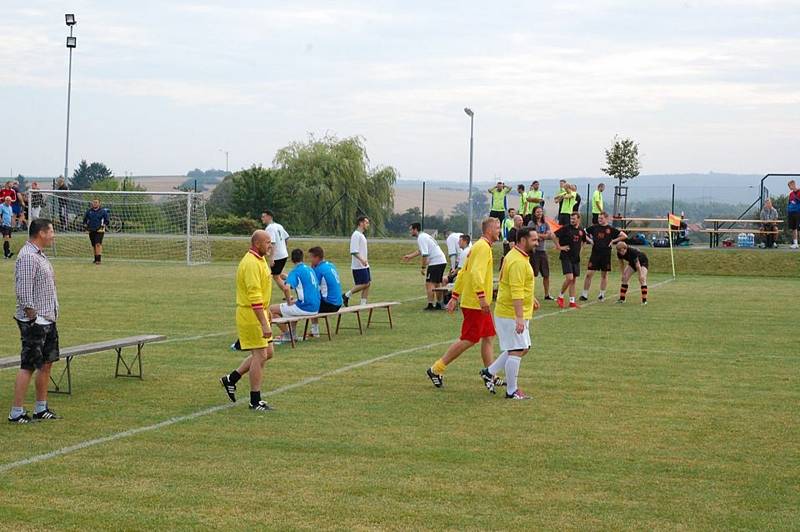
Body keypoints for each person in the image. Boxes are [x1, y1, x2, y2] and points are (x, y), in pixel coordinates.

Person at [426, 217, 500, 388]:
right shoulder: (482, 248)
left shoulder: (479, 247)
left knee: (488, 336)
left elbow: (463, 273)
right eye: (497, 228)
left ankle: (490, 374)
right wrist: (481, 298)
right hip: (475, 303)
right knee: (469, 339)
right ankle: (436, 369)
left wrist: (454, 296)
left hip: (476, 301)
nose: (499, 231)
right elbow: (474, 274)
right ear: (489, 230)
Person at [8, 219, 61, 423]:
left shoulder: (40, 255)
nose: (53, 235)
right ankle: (16, 412)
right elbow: (23, 291)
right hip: (36, 322)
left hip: (48, 318)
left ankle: (41, 408)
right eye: (51, 231)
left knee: (46, 364)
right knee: (28, 365)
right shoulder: (29, 257)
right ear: (41, 233)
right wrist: (33, 318)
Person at [479, 226, 539, 400]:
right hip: (510, 313)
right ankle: (511, 391)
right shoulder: (518, 261)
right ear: (522, 240)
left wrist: (532, 297)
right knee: (517, 349)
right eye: (534, 239)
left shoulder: (516, 255)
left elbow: (518, 284)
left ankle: (489, 372)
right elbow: (516, 290)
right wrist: (519, 317)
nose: (537, 242)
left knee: (522, 347)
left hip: (512, 311)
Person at [219, 230, 275, 411]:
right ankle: (254, 401)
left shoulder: (260, 259)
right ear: (257, 244)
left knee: (269, 352)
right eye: (267, 242)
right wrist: (264, 322)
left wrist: (268, 311)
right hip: (251, 315)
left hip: (260, 313)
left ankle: (231, 379)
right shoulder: (250, 263)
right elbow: (254, 296)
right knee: (260, 356)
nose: (270, 245)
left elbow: (263, 289)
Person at [270, 248, 321, 343]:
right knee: (294, 307)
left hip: (305, 307)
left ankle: (288, 335)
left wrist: (289, 301)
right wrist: (286, 276)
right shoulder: (310, 269)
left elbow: (286, 288)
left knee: (271, 310)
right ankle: (292, 333)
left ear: (292, 260)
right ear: (303, 258)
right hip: (316, 307)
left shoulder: (295, 272)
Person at [581, 212, 627, 302]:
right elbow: (582, 232)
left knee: (604, 275)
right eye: (599, 218)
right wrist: (590, 240)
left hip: (606, 254)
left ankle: (602, 294)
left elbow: (624, 236)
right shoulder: (594, 227)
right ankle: (584, 294)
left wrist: (613, 240)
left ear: (606, 218)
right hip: (595, 254)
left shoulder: (611, 229)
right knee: (589, 274)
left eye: (601, 218)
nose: (599, 220)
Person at [403, 222, 448, 310]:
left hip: (436, 262)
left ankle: (430, 305)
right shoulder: (424, 236)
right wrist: (410, 256)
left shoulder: (421, 238)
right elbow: (421, 250)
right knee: (437, 283)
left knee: (429, 283)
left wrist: (423, 268)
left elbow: (425, 255)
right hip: (441, 260)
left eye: (411, 230)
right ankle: (439, 304)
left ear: (415, 229)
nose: (410, 232)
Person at [554, 212, 589, 309]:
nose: (572, 220)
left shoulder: (581, 230)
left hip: (575, 258)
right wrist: (559, 247)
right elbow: (553, 235)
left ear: (579, 219)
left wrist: (580, 251)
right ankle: (560, 296)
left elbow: (584, 241)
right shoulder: (566, 228)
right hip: (566, 256)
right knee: (569, 278)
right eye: (571, 219)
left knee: (573, 280)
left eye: (574, 219)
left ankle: (572, 302)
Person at [308, 246, 342, 337]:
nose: (310, 260)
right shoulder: (330, 265)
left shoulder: (319, 270)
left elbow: (311, 286)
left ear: (317, 257)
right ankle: (314, 330)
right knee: (314, 298)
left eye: (311, 257)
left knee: (309, 302)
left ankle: (315, 331)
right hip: (338, 303)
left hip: (330, 304)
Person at [261, 210, 292, 302]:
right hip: (283, 254)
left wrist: (271, 258)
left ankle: (289, 296)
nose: (262, 218)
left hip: (277, 256)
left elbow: (272, 243)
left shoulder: (269, 228)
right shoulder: (279, 225)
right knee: (279, 274)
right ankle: (293, 279)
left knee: (275, 276)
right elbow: (287, 237)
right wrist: (284, 248)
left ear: (269, 217)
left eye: (264, 216)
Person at [344, 216, 371, 306]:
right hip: (358, 265)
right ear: (361, 223)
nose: (368, 224)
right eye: (366, 222)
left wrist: (365, 262)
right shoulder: (356, 235)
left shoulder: (361, 235)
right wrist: (362, 260)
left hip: (364, 265)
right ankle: (346, 295)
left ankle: (363, 304)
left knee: (368, 284)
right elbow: (354, 251)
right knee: (364, 284)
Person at [530, 206, 554, 300]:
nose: (539, 213)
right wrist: (540, 236)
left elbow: (549, 235)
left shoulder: (545, 224)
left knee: (546, 274)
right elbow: (531, 235)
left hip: (542, 251)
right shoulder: (531, 223)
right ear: (534, 213)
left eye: (541, 212)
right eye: (537, 212)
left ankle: (547, 294)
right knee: (533, 274)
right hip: (534, 251)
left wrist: (539, 235)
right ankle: (531, 295)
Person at [82, 198, 110, 264]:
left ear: (99, 203)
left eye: (96, 202)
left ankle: (98, 260)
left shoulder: (103, 211)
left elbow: (107, 221)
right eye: (93, 202)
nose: (94, 203)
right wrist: (86, 228)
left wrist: (103, 226)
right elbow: (84, 221)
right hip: (91, 230)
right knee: (94, 245)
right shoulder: (89, 211)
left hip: (100, 230)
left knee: (98, 244)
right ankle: (95, 258)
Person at [788, 180, 800, 249]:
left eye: (790, 186)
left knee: (798, 228)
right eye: (789, 186)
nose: (790, 187)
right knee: (793, 228)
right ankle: (795, 243)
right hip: (791, 212)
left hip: (798, 212)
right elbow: (789, 203)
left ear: (794, 184)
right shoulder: (791, 194)